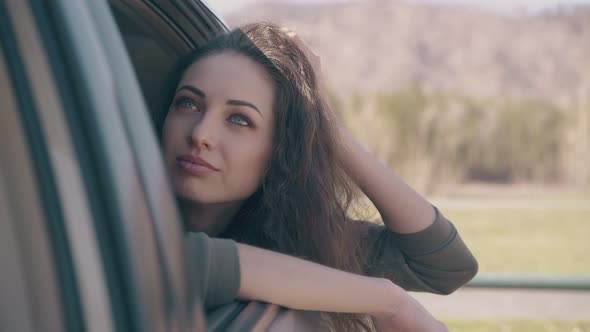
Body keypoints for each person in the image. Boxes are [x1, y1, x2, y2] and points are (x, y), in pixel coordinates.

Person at [158, 22, 477, 331]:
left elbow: (445, 267)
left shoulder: (287, 238)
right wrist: (389, 300)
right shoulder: (120, 213)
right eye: (188, 103)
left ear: (279, 151)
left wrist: (325, 124)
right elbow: (195, 261)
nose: (201, 134)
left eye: (240, 120)